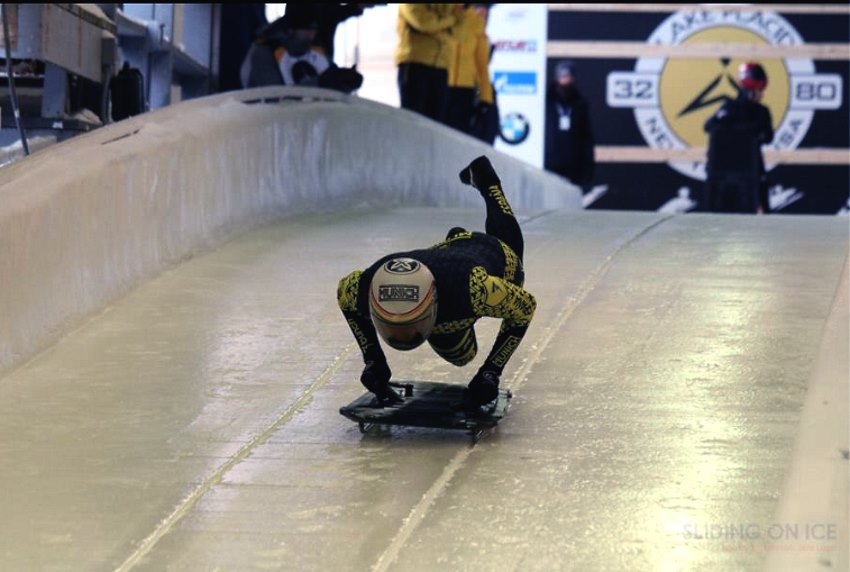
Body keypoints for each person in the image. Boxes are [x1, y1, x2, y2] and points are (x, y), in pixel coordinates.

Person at [336, 156, 536, 409]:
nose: (401, 336)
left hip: (489, 253)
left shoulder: (474, 289)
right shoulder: (364, 284)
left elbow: (525, 307)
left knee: (512, 257)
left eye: (409, 326)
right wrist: (373, 358)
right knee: (458, 352)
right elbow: (344, 293)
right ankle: (458, 234)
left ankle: (490, 185)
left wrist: (491, 371)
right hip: (445, 254)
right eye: (392, 326)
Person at [703, 61, 774, 214]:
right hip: (724, 174)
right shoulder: (729, 108)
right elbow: (709, 126)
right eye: (759, 90)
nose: (761, 94)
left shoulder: (760, 112)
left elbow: (768, 137)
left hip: (751, 172)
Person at [395, 4, 461, 123]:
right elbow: (424, 23)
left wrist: (438, 28)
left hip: (441, 67)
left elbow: (460, 33)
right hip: (415, 64)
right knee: (413, 121)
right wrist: (450, 22)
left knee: (437, 126)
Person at [543, 61, 596, 191]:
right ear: (556, 78)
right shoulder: (546, 102)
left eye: (568, 77)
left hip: (573, 165)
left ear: (573, 78)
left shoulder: (580, 103)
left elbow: (586, 136)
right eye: (562, 77)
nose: (565, 80)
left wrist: (588, 166)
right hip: (550, 162)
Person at [445, 4, 495, 139]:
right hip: (441, 84)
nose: (483, 15)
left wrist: (486, 97)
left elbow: (482, 66)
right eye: (481, 11)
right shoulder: (445, 15)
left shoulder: (476, 23)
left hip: (465, 90)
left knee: (460, 137)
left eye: (486, 13)